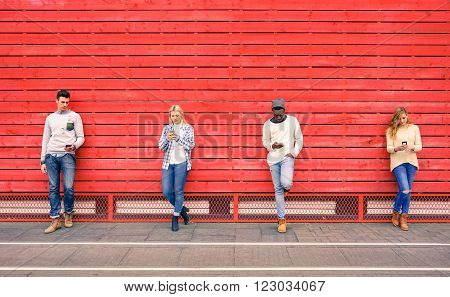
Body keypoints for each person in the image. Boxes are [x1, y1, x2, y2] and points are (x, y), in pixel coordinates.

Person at [40, 89, 85, 234]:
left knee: (68, 187)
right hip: (51, 156)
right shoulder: (50, 118)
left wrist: (74, 146)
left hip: (67, 156)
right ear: (57, 101)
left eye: (67, 102)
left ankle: (68, 214)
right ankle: (55, 219)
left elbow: (81, 137)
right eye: (62, 102)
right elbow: (45, 139)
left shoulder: (75, 116)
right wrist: (42, 160)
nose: (65, 104)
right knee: (53, 188)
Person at [262, 98, 303, 233]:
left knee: (286, 183)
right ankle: (281, 220)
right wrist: (271, 146)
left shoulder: (293, 121)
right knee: (278, 189)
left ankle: (286, 188)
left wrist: (294, 152)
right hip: (273, 159)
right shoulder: (267, 124)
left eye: (280, 112)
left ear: (284, 110)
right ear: (272, 111)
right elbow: (265, 141)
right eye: (276, 112)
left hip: (287, 157)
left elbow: (299, 138)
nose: (278, 115)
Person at [158, 105, 195, 231]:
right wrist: (168, 139)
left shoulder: (188, 128)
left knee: (178, 191)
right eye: (172, 116)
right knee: (166, 191)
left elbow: (191, 145)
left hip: (182, 162)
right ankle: (183, 210)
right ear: (170, 116)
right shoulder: (167, 129)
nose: (175, 118)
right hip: (168, 163)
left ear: (181, 115)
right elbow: (161, 147)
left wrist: (178, 138)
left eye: (177, 115)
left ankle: (175, 217)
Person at [386, 107, 422, 231]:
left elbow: (419, 147)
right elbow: (389, 148)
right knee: (405, 189)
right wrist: (397, 148)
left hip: (411, 162)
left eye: (404, 118)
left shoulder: (414, 128)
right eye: (399, 118)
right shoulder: (391, 130)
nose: (402, 121)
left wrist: (411, 147)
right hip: (398, 162)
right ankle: (396, 211)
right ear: (396, 118)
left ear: (407, 116)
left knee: (408, 190)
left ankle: (404, 217)